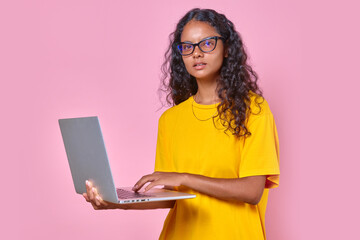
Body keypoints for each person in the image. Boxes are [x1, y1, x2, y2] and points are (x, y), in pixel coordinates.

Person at [83, 8, 280, 240]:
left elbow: (252, 191)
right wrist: (115, 203)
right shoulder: (171, 120)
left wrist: (184, 177)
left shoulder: (253, 110)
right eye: (187, 47)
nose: (196, 53)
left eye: (207, 44)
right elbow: (171, 196)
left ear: (227, 48)